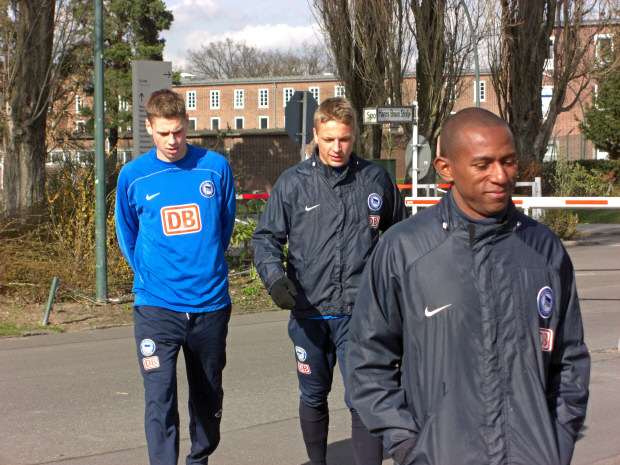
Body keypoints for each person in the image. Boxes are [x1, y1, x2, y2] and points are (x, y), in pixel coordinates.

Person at [345, 107, 591, 465]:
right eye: (483, 164)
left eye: (508, 161)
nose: (500, 175)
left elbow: (570, 360)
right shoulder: (404, 249)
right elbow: (369, 360)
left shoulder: (545, 250)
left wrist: (557, 443)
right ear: (445, 168)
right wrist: (409, 447)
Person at [252, 96, 407, 465]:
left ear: (354, 137)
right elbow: (266, 238)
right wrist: (274, 279)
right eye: (329, 139)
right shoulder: (292, 183)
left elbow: (403, 236)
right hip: (310, 312)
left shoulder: (375, 179)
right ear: (316, 135)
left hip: (362, 314)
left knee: (364, 399)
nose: (337, 147)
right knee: (313, 395)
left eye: (345, 139)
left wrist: (399, 290)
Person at [115, 89, 236, 465]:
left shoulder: (215, 168)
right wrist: (152, 275)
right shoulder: (133, 176)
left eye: (179, 131)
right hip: (156, 305)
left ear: (187, 124)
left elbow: (224, 227)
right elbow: (127, 234)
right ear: (149, 127)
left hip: (209, 305)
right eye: (164, 132)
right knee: (159, 396)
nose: (172, 140)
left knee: (208, 396)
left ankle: (198, 459)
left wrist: (203, 265)